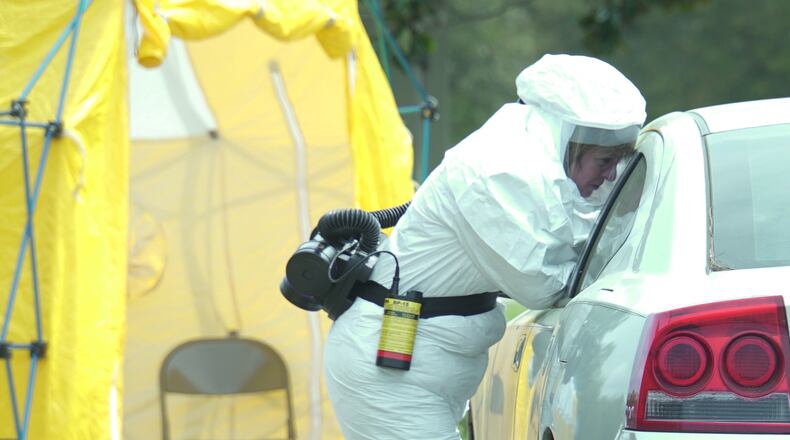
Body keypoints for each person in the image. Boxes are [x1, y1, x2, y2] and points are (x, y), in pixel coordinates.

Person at [324, 54, 646, 440]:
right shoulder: (494, 174)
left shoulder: (519, 167)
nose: (610, 175)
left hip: (413, 373)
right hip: (386, 374)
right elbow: (543, 283)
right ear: (566, 142)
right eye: (604, 160)